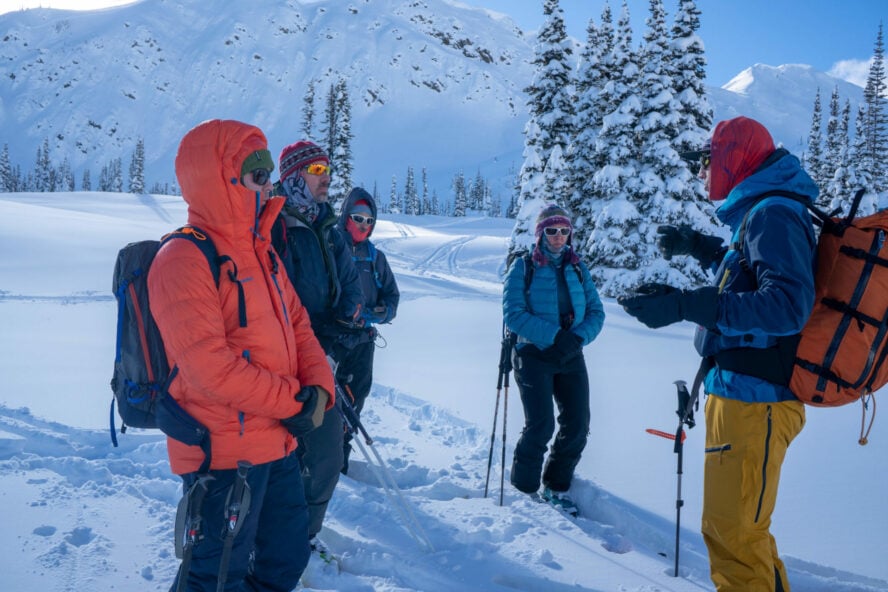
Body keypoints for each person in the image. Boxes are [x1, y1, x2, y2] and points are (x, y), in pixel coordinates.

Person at [619, 115, 818, 592]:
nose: (706, 171)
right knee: (739, 533)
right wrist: (701, 248)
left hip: (757, 402)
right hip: (742, 398)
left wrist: (687, 305)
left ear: (734, 157)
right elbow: (748, 272)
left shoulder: (773, 212)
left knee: (734, 535)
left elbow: (788, 306)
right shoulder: (763, 211)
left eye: (710, 160)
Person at [147, 119, 335, 591]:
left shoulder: (261, 251)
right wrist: (296, 403)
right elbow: (209, 368)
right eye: (257, 173)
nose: (268, 183)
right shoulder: (182, 258)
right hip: (222, 456)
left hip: (278, 445)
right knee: (214, 577)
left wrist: (320, 389)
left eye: (269, 172)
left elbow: (299, 327)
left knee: (285, 562)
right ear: (222, 177)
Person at [270, 139, 364, 559]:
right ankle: (268, 541)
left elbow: (351, 290)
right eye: (318, 171)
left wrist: (333, 342)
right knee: (276, 458)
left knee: (326, 459)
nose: (327, 179)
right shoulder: (272, 224)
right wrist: (307, 347)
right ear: (294, 176)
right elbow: (272, 297)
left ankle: (301, 537)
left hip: (323, 358)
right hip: (280, 360)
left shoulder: (328, 224)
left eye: (327, 170)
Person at [502, 204, 605, 515]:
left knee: (578, 424)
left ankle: (555, 485)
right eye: (551, 231)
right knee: (541, 424)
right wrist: (555, 337)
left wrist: (575, 338)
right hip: (533, 353)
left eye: (563, 231)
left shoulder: (578, 268)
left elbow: (597, 312)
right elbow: (514, 315)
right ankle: (523, 488)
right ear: (540, 234)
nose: (559, 237)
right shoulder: (523, 267)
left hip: (571, 353)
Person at [335, 187, 400, 474]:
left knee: (354, 401)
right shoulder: (330, 248)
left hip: (363, 341)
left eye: (368, 220)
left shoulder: (375, 258)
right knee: (327, 403)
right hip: (331, 340)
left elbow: (392, 298)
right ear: (345, 216)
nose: (363, 225)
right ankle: (323, 460)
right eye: (357, 217)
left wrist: (373, 315)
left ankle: (341, 460)